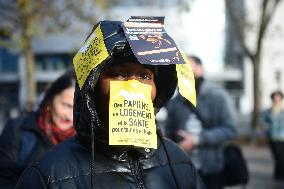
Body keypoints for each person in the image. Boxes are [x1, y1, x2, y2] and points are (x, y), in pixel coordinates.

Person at [15, 20, 205, 189]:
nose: (134, 87)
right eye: (119, 74)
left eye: (145, 76)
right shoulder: (48, 175)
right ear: (92, 86)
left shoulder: (178, 162)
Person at [164, 55, 237, 189]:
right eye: (181, 68)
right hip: (182, 169)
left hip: (212, 169)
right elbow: (168, 133)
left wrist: (197, 140)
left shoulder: (218, 95)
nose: (184, 71)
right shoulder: (176, 101)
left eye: (187, 66)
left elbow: (230, 129)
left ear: (199, 68)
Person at [0, 69, 76, 189]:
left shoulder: (86, 141)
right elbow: (4, 179)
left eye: (76, 109)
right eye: (66, 105)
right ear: (50, 100)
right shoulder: (18, 130)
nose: (70, 116)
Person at [261, 90, 284, 181]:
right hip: (273, 137)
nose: (277, 99)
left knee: (281, 157)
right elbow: (262, 122)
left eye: (278, 97)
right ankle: (279, 175)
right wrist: (267, 130)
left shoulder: (282, 112)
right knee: (278, 157)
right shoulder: (268, 112)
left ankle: (279, 175)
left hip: (283, 137)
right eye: (275, 97)